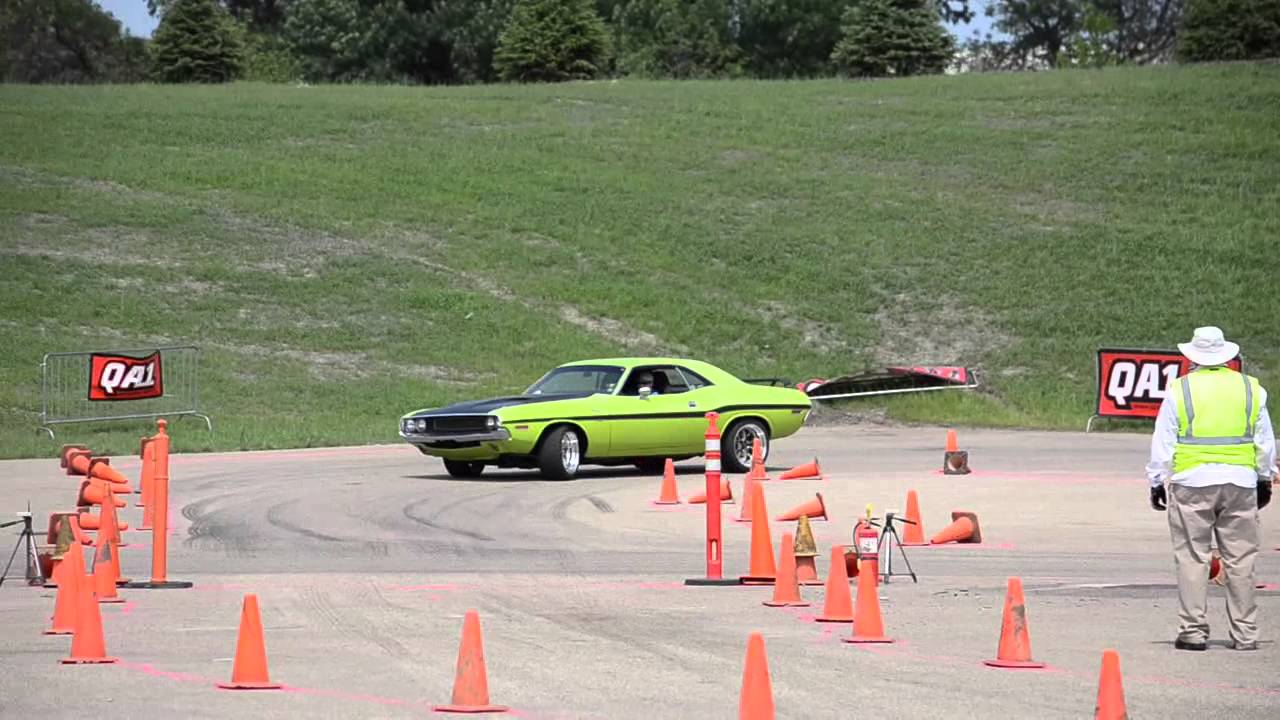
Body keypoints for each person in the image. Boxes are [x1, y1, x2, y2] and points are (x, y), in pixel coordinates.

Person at [1147, 326, 1274, 651]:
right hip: (1240, 482)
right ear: (1226, 355)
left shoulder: (1180, 390)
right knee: (1241, 560)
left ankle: (1193, 631)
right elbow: (1264, 441)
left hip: (1192, 482)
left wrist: (1157, 480)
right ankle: (1245, 634)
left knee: (1193, 558)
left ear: (1193, 355)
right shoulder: (1251, 389)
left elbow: (1164, 440)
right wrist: (1264, 477)